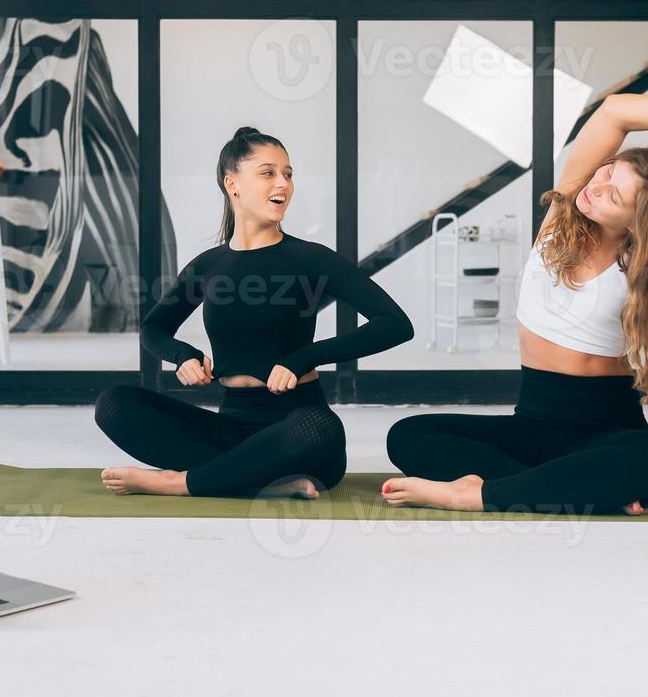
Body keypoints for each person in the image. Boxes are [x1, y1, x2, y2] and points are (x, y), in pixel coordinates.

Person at [383, 94, 648, 515]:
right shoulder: (564, 213)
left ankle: (477, 494)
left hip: (607, 431)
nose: (595, 187)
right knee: (407, 437)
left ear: (641, 222)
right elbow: (614, 113)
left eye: (613, 197)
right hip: (530, 427)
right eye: (607, 172)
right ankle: (579, 486)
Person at [96, 127, 414, 499]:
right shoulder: (209, 265)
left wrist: (304, 358)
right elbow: (154, 329)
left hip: (298, 432)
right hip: (230, 429)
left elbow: (395, 324)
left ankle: (180, 483)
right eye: (268, 173)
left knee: (319, 428)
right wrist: (183, 356)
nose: (284, 183)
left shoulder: (310, 258)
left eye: (288, 173)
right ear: (233, 184)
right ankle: (261, 480)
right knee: (114, 403)